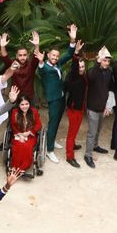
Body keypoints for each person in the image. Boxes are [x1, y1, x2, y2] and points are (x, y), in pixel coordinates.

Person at [34, 24, 77, 163]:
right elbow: (41, 69)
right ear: (48, 55)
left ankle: (52, 141)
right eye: (53, 55)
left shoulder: (57, 64)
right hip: (53, 99)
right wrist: (39, 60)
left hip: (61, 97)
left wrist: (72, 40)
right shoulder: (45, 68)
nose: (56, 57)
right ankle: (49, 149)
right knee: (53, 122)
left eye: (57, 56)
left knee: (58, 120)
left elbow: (70, 54)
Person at [82, 47, 115, 169]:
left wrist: (109, 106)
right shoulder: (93, 71)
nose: (106, 63)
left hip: (103, 107)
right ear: (100, 60)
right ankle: (88, 154)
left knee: (98, 129)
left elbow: (111, 89)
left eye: (108, 61)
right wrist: (97, 62)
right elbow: (90, 77)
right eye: (104, 60)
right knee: (92, 132)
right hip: (92, 108)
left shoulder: (109, 72)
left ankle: (95, 146)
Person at [62, 45, 87, 168]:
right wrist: (76, 53)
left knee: (76, 130)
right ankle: (69, 156)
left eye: (83, 67)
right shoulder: (73, 76)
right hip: (73, 109)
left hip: (81, 108)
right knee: (71, 133)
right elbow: (74, 66)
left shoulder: (83, 76)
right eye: (79, 66)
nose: (81, 69)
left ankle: (72, 145)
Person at [0, 31, 39, 100]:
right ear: (16, 56)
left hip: (29, 98)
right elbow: (5, 58)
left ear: (28, 55)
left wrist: (37, 45)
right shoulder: (13, 64)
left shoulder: (31, 65)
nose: (22, 57)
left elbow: (36, 56)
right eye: (20, 55)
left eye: (24, 55)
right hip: (15, 97)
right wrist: (2, 47)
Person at [7, 96, 41, 173]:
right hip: (18, 134)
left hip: (30, 135)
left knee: (26, 146)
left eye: (27, 104)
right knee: (19, 145)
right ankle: (15, 167)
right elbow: (12, 125)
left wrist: (29, 132)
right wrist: (20, 134)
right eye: (22, 104)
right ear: (18, 105)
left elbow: (38, 124)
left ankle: (23, 167)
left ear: (29, 104)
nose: (25, 106)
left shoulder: (34, 111)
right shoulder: (15, 112)